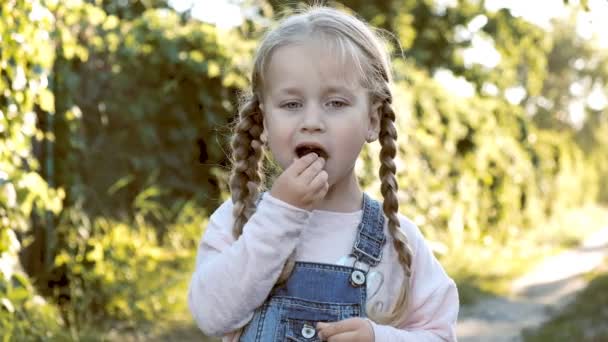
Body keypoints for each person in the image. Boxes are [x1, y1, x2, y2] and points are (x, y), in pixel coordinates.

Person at [188, 5, 459, 341]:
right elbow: (210, 316)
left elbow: (440, 336)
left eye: (335, 103)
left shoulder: (397, 241)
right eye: (291, 104)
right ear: (265, 123)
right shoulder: (239, 220)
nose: (312, 122)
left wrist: (380, 338)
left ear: (372, 120)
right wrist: (281, 214)